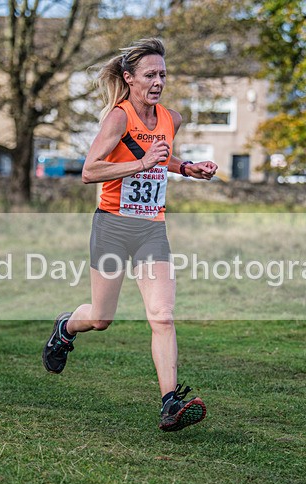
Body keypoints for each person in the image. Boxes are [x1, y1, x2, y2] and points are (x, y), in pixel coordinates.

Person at [42, 37, 218, 432]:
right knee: (101, 318)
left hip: (152, 229)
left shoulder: (170, 118)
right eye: (150, 75)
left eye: (163, 74)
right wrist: (139, 164)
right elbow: (90, 170)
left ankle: (170, 403)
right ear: (129, 78)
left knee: (163, 315)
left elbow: (160, 156)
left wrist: (187, 168)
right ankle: (66, 328)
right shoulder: (118, 119)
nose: (158, 81)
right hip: (112, 226)